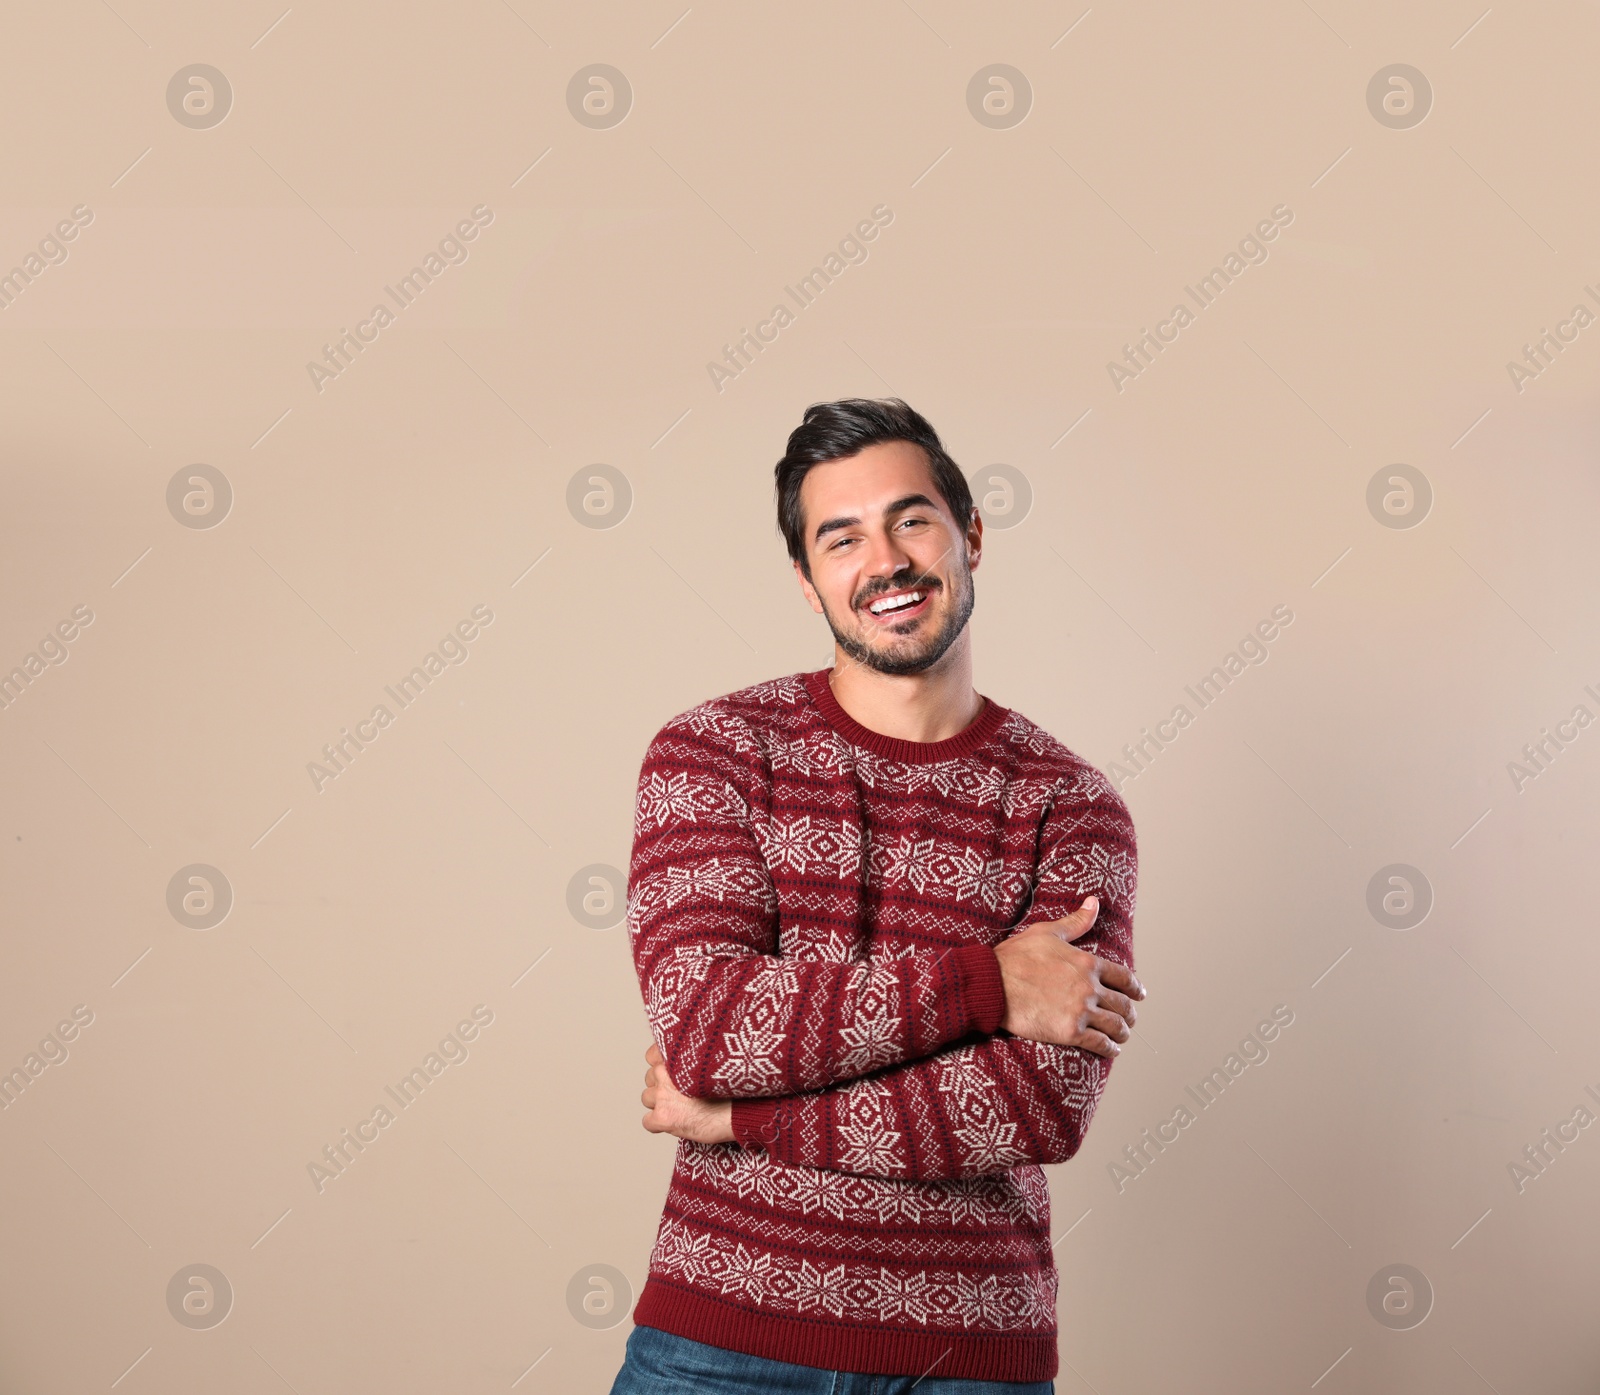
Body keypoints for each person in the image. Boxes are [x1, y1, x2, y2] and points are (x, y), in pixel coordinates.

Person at [610, 398, 1146, 1394]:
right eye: (841, 537)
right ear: (810, 584)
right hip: (725, 1345)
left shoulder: (1071, 806)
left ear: (969, 536)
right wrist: (988, 984)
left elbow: (1035, 1106)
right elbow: (709, 1029)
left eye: (910, 520)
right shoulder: (714, 754)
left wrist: (743, 1123)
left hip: (973, 1358)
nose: (886, 560)